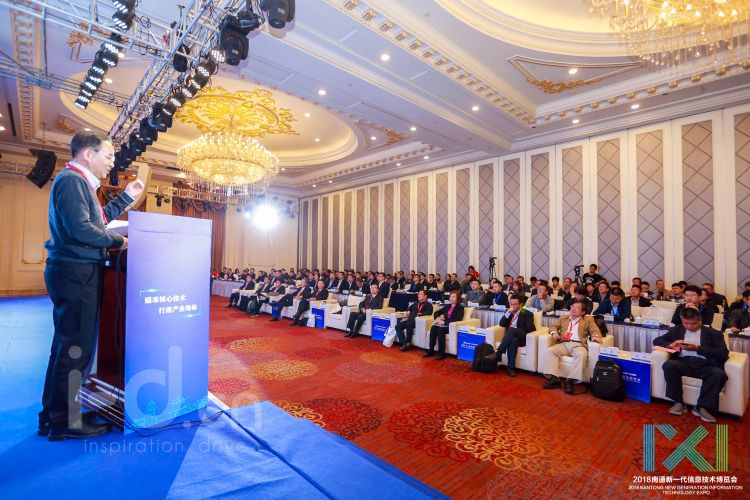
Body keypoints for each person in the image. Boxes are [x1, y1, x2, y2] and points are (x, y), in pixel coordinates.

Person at [41, 131, 144, 441]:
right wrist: (121, 242)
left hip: (74, 271)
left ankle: (54, 416)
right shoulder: (72, 181)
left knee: (65, 347)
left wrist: (126, 197)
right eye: (108, 156)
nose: (112, 163)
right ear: (88, 153)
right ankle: (65, 421)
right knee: (75, 350)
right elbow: (82, 230)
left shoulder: (78, 182)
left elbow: (97, 222)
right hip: (77, 272)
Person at [653, 307, 729, 423]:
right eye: (686, 323)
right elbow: (657, 340)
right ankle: (679, 402)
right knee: (669, 365)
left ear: (700, 320)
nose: (689, 326)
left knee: (719, 374)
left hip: (706, 365)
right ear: (682, 320)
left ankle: (701, 407)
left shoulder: (714, 333)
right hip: (684, 362)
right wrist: (671, 344)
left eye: (693, 323)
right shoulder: (677, 330)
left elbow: (723, 353)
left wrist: (698, 349)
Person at [542, 300, 602, 394]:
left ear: (582, 312)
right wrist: (554, 333)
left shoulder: (588, 320)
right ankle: (555, 379)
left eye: (577, 308)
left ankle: (570, 380)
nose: (573, 309)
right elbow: (553, 326)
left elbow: (594, 330)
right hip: (564, 343)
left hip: (578, 345)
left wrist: (595, 336)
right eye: (572, 307)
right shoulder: (564, 318)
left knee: (581, 355)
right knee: (550, 351)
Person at [485, 294, 536, 376]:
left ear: (521, 304)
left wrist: (517, 331)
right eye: (511, 304)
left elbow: (531, 329)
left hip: (522, 337)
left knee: (512, 330)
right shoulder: (509, 312)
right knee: (513, 341)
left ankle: (498, 353)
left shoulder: (527, 313)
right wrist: (508, 313)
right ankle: (510, 368)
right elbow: (501, 324)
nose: (512, 307)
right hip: (512, 338)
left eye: (515, 305)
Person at [423, 290, 464, 360]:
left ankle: (442, 352)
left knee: (440, 329)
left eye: (454, 297)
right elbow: (436, 313)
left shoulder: (460, 308)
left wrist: (444, 322)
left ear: (458, 298)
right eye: (451, 296)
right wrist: (437, 319)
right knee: (433, 327)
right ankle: (431, 349)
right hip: (444, 324)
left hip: (452, 326)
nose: (451, 298)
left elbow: (457, 319)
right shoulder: (448, 306)